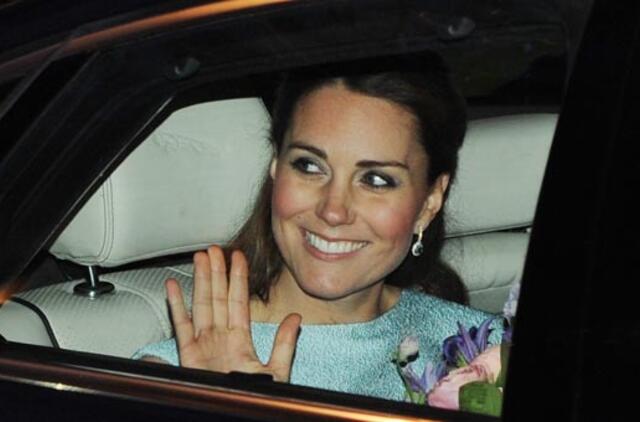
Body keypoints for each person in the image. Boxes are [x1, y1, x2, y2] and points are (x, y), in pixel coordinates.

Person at [134, 53, 502, 401]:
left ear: (429, 202)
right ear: (276, 167)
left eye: (375, 179)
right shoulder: (185, 375)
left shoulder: (483, 349)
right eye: (309, 166)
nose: (333, 210)